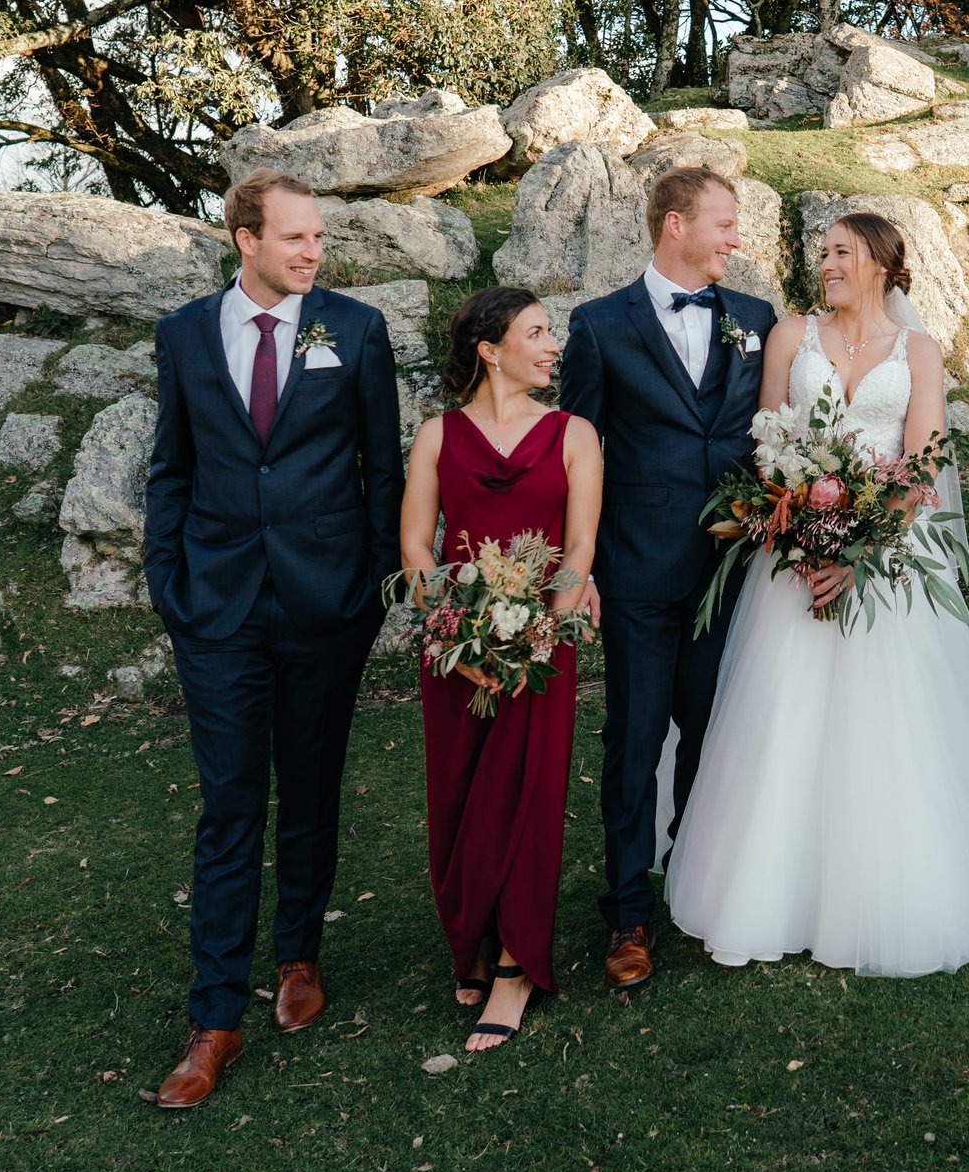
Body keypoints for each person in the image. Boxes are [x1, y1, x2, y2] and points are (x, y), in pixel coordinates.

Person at [667, 214, 969, 975]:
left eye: (840, 253)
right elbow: (768, 443)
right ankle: (767, 892)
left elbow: (919, 466)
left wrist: (857, 556)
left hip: (888, 555)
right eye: (822, 252)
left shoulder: (919, 351)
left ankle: (894, 886)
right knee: (780, 718)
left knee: (894, 725)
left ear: (882, 266)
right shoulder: (792, 337)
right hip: (790, 556)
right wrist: (800, 535)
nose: (824, 264)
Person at [140, 168, 403, 1107]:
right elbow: (170, 468)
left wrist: (369, 593)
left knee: (311, 788)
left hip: (325, 603)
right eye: (295, 238)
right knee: (229, 806)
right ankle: (214, 1017)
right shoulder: (182, 334)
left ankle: (299, 954)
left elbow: (385, 470)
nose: (313, 252)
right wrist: (169, 583)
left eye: (319, 239)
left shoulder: (356, 330)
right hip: (215, 608)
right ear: (244, 240)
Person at [554, 165, 779, 993]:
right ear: (674, 224)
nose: (735, 237)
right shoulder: (600, 325)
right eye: (723, 222)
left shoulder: (756, 320)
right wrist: (580, 570)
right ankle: (626, 911)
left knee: (716, 735)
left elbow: (775, 433)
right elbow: (577, 455)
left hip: (735, 574)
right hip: (639, 571)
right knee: (635, 737)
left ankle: (694, 878)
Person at [398, 288, 601, 1051]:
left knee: (530, 794)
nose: (554, 346)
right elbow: (418, 546)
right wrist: (453, 629)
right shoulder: (436, 437)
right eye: (538, 333)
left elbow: (578, 549)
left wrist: (540, 633)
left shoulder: (574, 434)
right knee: (457, 795)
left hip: (543, 644)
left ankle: (516, 966)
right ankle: (473, 940)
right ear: (490, 349)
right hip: (456, 646)